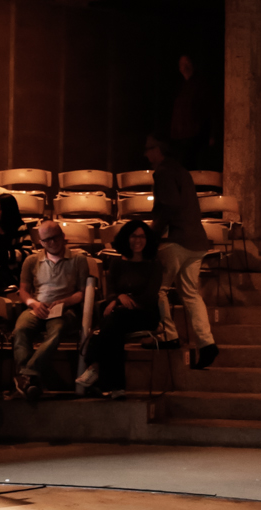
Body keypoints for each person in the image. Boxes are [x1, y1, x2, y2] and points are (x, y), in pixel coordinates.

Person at [143, 133, 216, 368]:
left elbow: (168, 206)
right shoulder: (182, 171)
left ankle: (168, 335)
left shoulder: (163, 172)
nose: (145, 154)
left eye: (148, 149)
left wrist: (153, 233)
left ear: (158, 149)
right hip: (197, 241)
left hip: (176, 239)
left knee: (158, 289)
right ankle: (207, 343)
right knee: (191, 294)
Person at [75, 219, 161, 398]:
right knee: (115, 330)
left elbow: (149, 296)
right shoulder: (117, 264)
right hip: (120, 315)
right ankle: (117, 388)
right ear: (126, 238)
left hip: (145, 313)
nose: (138, 240)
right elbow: (111, 291)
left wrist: (122, 300)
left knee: (113, 322)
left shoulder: (154, 265)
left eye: (142, 236)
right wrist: (117, 298)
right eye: (133, 236)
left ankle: (95, 366)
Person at [9, 220, 90, 401]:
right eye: (47, 240)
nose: (52, 243)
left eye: (55, 238)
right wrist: (33, 304)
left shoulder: (78, 260)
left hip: (65, 308)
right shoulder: (32, 260)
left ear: (63, 236)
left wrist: (64, 302)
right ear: (41, 242)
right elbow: (23, 291)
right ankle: (31, 382)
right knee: (20, 329)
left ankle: (26, 375)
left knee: (56, 330)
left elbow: (82, 292)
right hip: (38, 306)